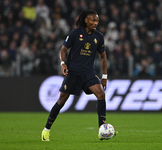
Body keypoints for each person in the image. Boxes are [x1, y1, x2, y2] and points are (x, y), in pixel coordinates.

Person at [41, 10, 117, 141]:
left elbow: (103, 56)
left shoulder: (99, 37)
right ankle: (46, 130)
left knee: (101, 94)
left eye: (97, 21)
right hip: (73, 73)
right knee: (61, 101)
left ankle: (102, 129)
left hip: (88, 73)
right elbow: (63, 49)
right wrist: (63, 63)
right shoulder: (75, 33)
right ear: (86, 20)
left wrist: (104, 76)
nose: (95, 23)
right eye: (93, 20)